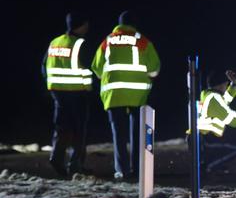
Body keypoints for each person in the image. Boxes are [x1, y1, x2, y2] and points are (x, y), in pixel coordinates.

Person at [91, 12, 160, 180]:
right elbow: (154, 69)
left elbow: (97, 68)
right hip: (138, 93)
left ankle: (122, 170)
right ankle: (138, 169)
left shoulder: (107, 41)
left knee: (118, 133)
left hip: (113, 94)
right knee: (138, 132)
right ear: (134, 25)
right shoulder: (143, 41)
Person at [43, 12, 95, 178]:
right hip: (77, 92)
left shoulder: (55, 42)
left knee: (62, 127)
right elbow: (89, 68)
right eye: (86, 24)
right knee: (79, 130)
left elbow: (44, 66)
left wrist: (51, 86)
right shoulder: (80, 44)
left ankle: (56, 158)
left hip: (58, 93)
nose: (88, 27)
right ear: (80, 25)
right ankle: (75, 165)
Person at [197, 69, 236, 172]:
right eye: (226, 85)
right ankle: (211, 166)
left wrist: (234, 84)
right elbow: (235, 121)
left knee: (228, 142)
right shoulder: (214, 99)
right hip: (206, 141)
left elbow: (224, 101)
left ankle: (208, 163)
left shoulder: (207, 94)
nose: (226, 87)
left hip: (201, 139)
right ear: (221, 84)